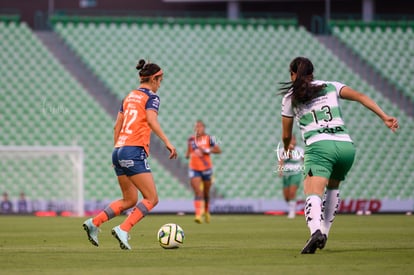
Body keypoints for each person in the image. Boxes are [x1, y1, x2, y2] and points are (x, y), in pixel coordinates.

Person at [280, 56, 399, 254]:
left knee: (313, 192)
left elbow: (286, 134)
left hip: (319, 146)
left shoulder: (290, 97)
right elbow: (361, 96)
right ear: (312, 73)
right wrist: (384, 116)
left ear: (293, 74)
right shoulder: (331, 86)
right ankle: (324, 232)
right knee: (333, 187)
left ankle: (315, 230)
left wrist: (286, 148)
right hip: (346, 147)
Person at [83, 59, 177, 250]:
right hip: (134, 150)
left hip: (118, 150)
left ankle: (94, 223)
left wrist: (117, 151)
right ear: (154, 79)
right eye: (160, 80)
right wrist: (168, 142)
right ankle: (123, 229)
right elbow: (151, 119)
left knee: (129, 200)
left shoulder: (129, 96)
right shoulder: (152, 97)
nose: (161, 84)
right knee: (151, 198)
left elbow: (117, 126)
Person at [185, 120, 221, 223]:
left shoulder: (209, 139)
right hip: (194, 168)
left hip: (206, 168)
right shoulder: (191, 140)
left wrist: (207, 150)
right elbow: (188, 153)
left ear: (204, 128)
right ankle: (198, 215)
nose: (198, 128)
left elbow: (218, 150)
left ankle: (206, 211)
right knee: (198, 192)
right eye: (196, 127)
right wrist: (188, 155)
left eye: (200, 127)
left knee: (206, 193)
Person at [278, 134, 304, 219]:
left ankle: (292, 212)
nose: (292, 141)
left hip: (296, 173)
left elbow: (304, 160)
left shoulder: (299, 150)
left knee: (292, 192)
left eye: (293, 139)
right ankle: (290, 207)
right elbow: (281, 161)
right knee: (286, 196)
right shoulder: (282, 150)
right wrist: (280, 171)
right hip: (286, 174)